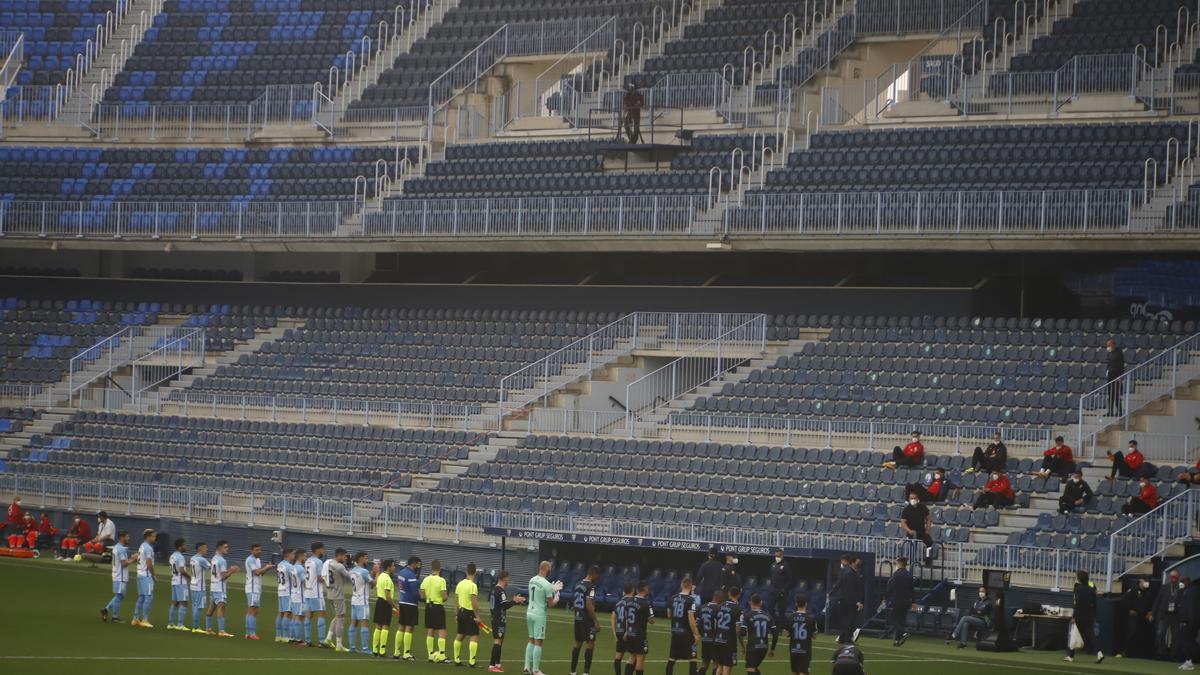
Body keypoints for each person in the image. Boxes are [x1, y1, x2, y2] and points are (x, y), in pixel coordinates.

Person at [525, 560, 561, 675]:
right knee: (538, 642)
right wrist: (556, 598)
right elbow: (550, 604)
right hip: (539, 614)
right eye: (549, 569)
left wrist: (551, 588)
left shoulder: (531, 580)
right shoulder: (546, 584)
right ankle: (536, 670)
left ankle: (526, 667)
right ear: (546, 569)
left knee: (530, 639)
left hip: (529, 612)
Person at [488, 570, 525, 672]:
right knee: (497, 641)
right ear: (504, 578)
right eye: (508, 578)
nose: (508, 580)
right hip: (498, 619)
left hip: (496, 618)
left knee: (500, 641)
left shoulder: (494, 589)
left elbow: (498, 604)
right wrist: (515, 601)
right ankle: (492, 666)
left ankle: (497, 663)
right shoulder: (500, 591)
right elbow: (504, 605)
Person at [1065, 570, 1104, 663]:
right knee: (1091, 636)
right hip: (1089, 615)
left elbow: (1077, 603)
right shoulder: (1091, 590)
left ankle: (1070, 656)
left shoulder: (1078, 589)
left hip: (1079, 615)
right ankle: (1099, 653)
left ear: (1079, 578)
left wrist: (1074, 616)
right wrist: (1094, 615)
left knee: (1073, 633)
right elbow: (1094, 604)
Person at [667, 575, 701, 675]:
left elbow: (669, 615)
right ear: (691, 587)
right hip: (687, 634)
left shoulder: (672, 598)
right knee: (692, 659)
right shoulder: (691, 600)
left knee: (671, 660)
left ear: (681, 585)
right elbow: (691, 619)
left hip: (675, 632)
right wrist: (696, 634)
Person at [206, 539, 239, 637]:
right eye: (225, 547)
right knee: (221, 606)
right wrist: (232, 571)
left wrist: (229, 570)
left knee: (211, 607)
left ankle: (208, 629)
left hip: (213, 586)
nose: (227, 549)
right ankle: (221, 631)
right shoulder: (222, 560)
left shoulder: (214, 558)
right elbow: (223, 576)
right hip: (220, 587)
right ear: (219, 547)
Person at [571, 565, 601, 675]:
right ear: (593, 574)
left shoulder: (577, 584)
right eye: (597, 575)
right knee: (590, 643)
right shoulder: (591, 587)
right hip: (587, 619)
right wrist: (596, 621)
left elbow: (574, 603)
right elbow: (589, 605)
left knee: (577, 643)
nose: (597, 578)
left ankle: (573, 671)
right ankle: (585, 673)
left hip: (578, 617)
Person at [100, 529, 134, 623]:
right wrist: (133, 559)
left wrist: (131, 558)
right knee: (120, 595)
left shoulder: (116, 547)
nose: (128, 538)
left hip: (117, 574)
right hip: (120, 576)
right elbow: (124, 564)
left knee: (121, 595)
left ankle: (106, 609)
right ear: (122, 537)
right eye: (127, 536)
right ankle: (115, 617)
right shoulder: (121, 549)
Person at [322, 547, 351, 651]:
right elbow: (350, 577)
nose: (345, 558)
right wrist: (352, 569)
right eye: (344, 556)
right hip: (338, 594)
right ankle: (339, 645)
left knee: (337, 616)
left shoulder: (328, 563)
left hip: (330, 593)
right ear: (339, 555)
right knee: (341, 617)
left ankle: (328, 638)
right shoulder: (339, 566)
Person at [244, 542, 275, 642]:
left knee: (250, 610)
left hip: (255, 588)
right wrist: (266, 567)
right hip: (252, 588)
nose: (259, 551)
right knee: (254, 610)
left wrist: (267, 568)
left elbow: (261, 573)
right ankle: (252, 633)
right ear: (252, 551)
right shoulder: (250, 559)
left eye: (260, 550)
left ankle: (248, 633)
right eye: (256, 550)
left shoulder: (257, 560)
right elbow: (256, 572)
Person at [829, 555, 863, 644]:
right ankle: (847, 639)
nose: (859, 563)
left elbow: (838, 583)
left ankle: (842, 638)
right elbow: (851, 589)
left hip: (843, 599)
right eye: (857, 561)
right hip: (850, 600)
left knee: (844, 620)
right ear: (853, 562)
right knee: (850, 620)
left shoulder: (844, 570)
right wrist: (857, 601)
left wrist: (831, 593)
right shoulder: (851, 573)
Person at [420, 559, 449, 662]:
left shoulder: (426, 579)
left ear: (431, 568)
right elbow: (444, 597)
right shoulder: (441, 580)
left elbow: (422, 595)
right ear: (440, 569)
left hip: (428, 605)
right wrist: (445, 597)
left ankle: (430, 655)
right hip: (438, 606)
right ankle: (441, 655)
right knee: (441, 629)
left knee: (430, 629)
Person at [453, 563, 482, 667]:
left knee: (460, 634)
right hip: (469, 612)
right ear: (475, 572)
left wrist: (456, 614)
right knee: (474, 635)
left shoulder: (460, 584)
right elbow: (474, 602)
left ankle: (456, 659)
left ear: (466, 571)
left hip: (461, 611)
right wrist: (477, 616)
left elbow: (455, 600)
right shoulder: (473, 586)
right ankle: (472, 661)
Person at [779, 594, 815, 675]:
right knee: (804, 672)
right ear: (806, 604)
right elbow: (814, 635)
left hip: (793, 650)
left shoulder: (790, 617)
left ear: (796, 604)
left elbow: (786, 633)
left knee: (795, 672)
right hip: (805, 650)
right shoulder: (811, 619)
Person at [882, 557, 914, 646]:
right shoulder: (909, 575)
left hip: (897, 600)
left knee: (893, 619)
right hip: (907, 601)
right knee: (901, 620)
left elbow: (890, 587)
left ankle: (903, 633)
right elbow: (912, 589)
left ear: (899, 563)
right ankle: (897, 640)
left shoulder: (896, 574)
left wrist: (885, 597)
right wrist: (913, 602)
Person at [395, 555, 422, 660]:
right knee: (409, 627)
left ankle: (397, 652)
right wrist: (422, 598)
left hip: (402, 601)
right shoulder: (411, 575)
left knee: (401, 626)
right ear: (414, 563)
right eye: (417, 564)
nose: (418, 567)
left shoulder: (401, 572)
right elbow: (415, 592)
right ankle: (406, 653)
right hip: (411, 603)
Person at [1155, 569, 1185, 661]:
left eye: (1176, 577)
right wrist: (1152, 612)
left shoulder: (1181, 588)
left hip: (1175, 615)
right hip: (1164, 614)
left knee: (1176, 636)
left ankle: (1173, 656)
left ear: (1178, 577)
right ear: (1169, 577)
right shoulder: (1164, 587)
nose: (1174, 579)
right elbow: (1158, 600)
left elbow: (1184, 601)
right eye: (1172, 577)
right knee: (1160, 633)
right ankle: (1161, 654)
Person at [739, 593, 774, 675]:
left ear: (750, 602)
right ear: (761, 603)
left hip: (753, 646)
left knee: (750, 669)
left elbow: (743, 633)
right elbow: (775, 633)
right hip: (764, 647)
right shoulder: (768, 615)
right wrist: (772, 649)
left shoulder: (747, 615)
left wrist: (739, 629)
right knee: (754, 668)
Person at [349, 552, 376, 654]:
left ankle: (352, 647)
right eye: (365, 558)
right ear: (360, 559)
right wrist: (377, 573)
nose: (367, 560)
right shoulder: (364, 571)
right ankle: (365, 648)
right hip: (362, 601)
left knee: (353, 623)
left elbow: (367, 582)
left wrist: (372, 573)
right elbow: (373, 583)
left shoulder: (352, 571)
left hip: (354, 599)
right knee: (364, 623)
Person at [131, 529, 157, 628]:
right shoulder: (148, 548)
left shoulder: (142, 546)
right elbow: (149, 563)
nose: (155, 538)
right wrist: (153, 575)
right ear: (148, 537)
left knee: (141, 597)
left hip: (140, 574)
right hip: (146, 575)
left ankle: (135, 618)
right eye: (153, 536)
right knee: (149, 597)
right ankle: (145, 619)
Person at [372, 559, 398, 657]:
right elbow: (388, 596)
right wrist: (395, 607)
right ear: (389, 567)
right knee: (385, 626)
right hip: (385, 604)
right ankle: (382, 651)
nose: (394, 567)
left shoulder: (381, 576)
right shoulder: (387, 579)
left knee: (378, 626)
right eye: (393, 565)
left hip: (379, 601)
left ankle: (375, 649)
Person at [900, 492, 934, 566]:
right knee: (913, 546)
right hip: (912, 532)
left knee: (929, 543)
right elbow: (903, 523)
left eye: (915, 498)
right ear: (909, 499)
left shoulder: (922, 507)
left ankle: (928, 561)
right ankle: (912, 562)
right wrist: (909, 531)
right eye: (911, 498)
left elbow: (929, 519)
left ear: (918, 499)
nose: (913, 500)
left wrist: (928, 529)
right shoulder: (906, 510)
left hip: (922, 531)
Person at [714, 585, 741, 675]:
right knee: (727, 668)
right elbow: (737, 629)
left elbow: (715, 623)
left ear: (729, 594)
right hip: (729, 642)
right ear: (738, 595)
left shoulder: (720, 606)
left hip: (718, 640)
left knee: (720, 667)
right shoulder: (737, 609)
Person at [304, 542, 327, 647]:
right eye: (323, 549)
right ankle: (321, 641)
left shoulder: (307, 561)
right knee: (322, 613)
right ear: (318, 550)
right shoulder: (318, 562)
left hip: (307, 591)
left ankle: (308, 640)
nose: (324, 551)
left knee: (309, 615)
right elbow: (320, 578)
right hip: (316, 592)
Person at [698, 589, 724, 675]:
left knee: (705, 662)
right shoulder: (718, 608)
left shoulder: (703, 606)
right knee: (716, 662)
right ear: (719, 598)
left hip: (705, 638)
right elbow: (719, 625)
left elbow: (698, 622)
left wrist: (701, 634)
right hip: (714, 639)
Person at [167, 538, 190, 631]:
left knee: (175, 603)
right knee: (184, 603)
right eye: (185, 545)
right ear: (180, 547)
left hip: (174, 581)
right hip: (181, 582)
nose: (186, 547)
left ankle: (171, 623)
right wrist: (190, 577)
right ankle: (180, 624)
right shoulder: (180, 557)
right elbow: (181, 570)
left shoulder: (172, 556)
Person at [612, 584, 636, 675]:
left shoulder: (619, 602)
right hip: (628, 631)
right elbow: (627, 617)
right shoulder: (632, 601)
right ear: (632, 590)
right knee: (634, 655)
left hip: (618, 631)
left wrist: (614, 632)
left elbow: (613, 617)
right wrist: (627, 631)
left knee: (618, 655)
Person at [766, 548, 792, 629]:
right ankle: (773, 625)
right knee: (770, 608)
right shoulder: (773, 565)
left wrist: (784, 590)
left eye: (778, 555)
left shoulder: (786, 565)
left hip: (781, 591)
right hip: (773, 590)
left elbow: (789, 579)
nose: (777, 556)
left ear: (782, 555)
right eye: (776, 555)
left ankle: (780, 627)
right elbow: (771, 577)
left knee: (781, 610)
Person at [188, 541, 211, 633]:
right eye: (205, 547)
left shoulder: (192, 558)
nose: (207, 549)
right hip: (199, 586)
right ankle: (196, 627)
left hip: (193, 584)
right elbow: (210, 567)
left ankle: (195, 626)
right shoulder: (202, 560)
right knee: (199, 606)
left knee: (194, 605)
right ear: (200, 548)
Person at [1180, 575, 1200, 670]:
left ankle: (1189, 662)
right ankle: (1188, 661)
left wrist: (1190, 621)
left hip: (1191, 622)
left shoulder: (1192, 590)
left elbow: (1191, 607)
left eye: (1182, 582)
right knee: (1188, 642)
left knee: (1188, 642)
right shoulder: (1187, 590)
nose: (1182, 584)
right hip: (1188, 621)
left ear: (1187, 582)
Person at [275, 549, 294, 643]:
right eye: (292, 554)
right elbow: (294, 578)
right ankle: (286, 636)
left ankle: (278, 636)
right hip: (288, 591)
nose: (294, 555)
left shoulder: (279, 564)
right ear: (288, 555)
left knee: (281, 613)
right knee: (288, 613)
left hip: (280, 589)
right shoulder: (289, 566)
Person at [290, 549, 308, 644]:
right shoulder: (301, 568)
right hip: (300, 595)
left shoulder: (293, 567)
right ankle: (298, 640)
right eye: (305, 556)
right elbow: (305, 582)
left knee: (294, 616)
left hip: (294, 594)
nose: (306, 558)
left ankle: (292, 638)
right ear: (300, 556)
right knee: (299, 617)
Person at [1107, 338, 1126, 415]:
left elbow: (1119, 366)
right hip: (1110, 377)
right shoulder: (1110, 353)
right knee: (1110, 395)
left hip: (1117, 377)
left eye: (1109, 345)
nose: (1108, 347)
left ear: (1113, 344)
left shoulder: (1119, 353)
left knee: (1116, 395)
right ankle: (1110, 411)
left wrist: (1119, 376)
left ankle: (1119, 411)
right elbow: (1109, 364)